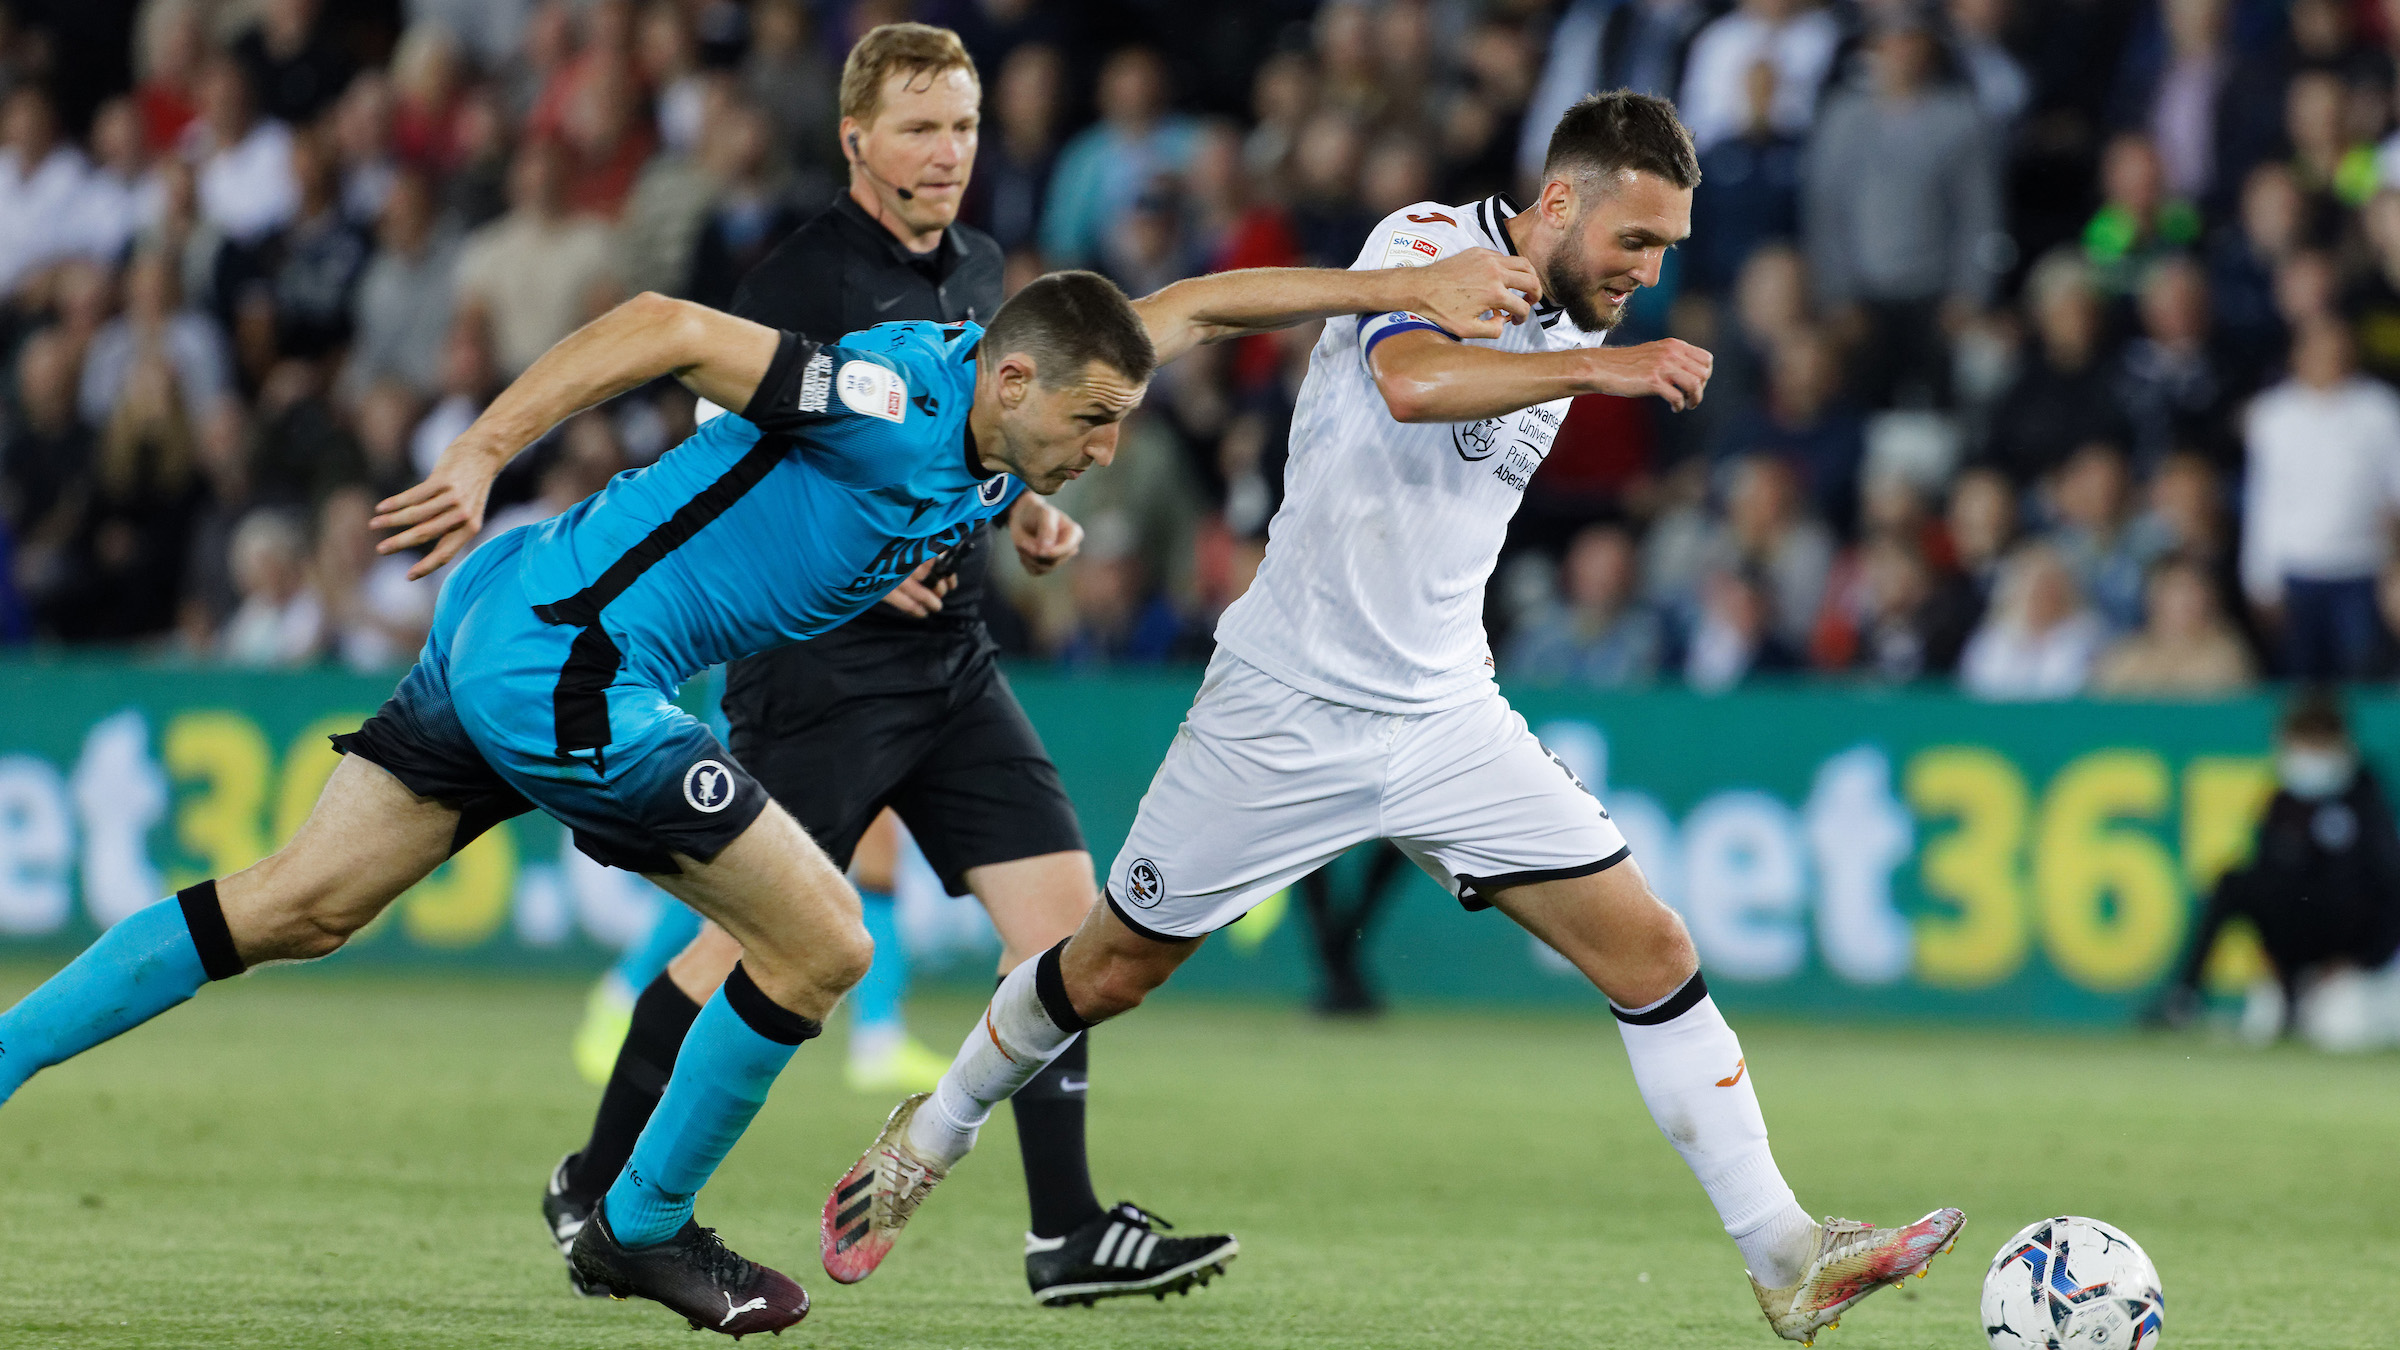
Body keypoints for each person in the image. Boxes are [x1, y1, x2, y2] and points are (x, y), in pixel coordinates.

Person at [0, 233, 1534, 1332]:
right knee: (824, 943)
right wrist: (475, 447)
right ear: (1008, 378)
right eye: (1087, 424)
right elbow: (666, 321)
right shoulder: (880, 400)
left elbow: (1197, 305)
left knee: (293, 907)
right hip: (576, 663)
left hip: (518, 613)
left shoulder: (1018, 414)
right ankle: (638, 1227)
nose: (1103, 450)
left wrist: (1399, 291)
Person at [818, 92, 1963, 1347]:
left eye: (1670, 251)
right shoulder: (1428, 243)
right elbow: (1410, 382)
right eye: (1635, 243)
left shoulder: (1569, 319)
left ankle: (1785, 1254)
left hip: (1443, 714)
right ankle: (935, 1134)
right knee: (1107, 970)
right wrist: (1601, 366)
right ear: (1562, 202)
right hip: (1284, 708)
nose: (1650, 273)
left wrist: (1585, 349)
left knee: (1654, 954)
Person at [541, 22, 1235, 1311]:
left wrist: (1018, 508)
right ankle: (598, 1184)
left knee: (1063, 931)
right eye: (920, 126)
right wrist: (867, 546)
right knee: (732, 952)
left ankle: (1067, 1233)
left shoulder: (982, 269)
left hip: (951, 661)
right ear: (856, 137)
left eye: (965, 125)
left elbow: (987, 430)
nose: (948, 152)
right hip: (819, 662)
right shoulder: (800, 279)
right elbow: (722, 458)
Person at [2155, 688, 2400, 1037]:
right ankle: (2184, 996)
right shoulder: (2282, 801)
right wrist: (2273, 957)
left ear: (2338, 744)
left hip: (2350, 958)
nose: (2303, 758)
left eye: (2313, 745)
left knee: (2342, 1031)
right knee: (2232, 882)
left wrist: (2360, 961)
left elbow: (2389, 890)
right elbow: (2269, 878)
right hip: (2295, 950)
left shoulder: (2366, 799)